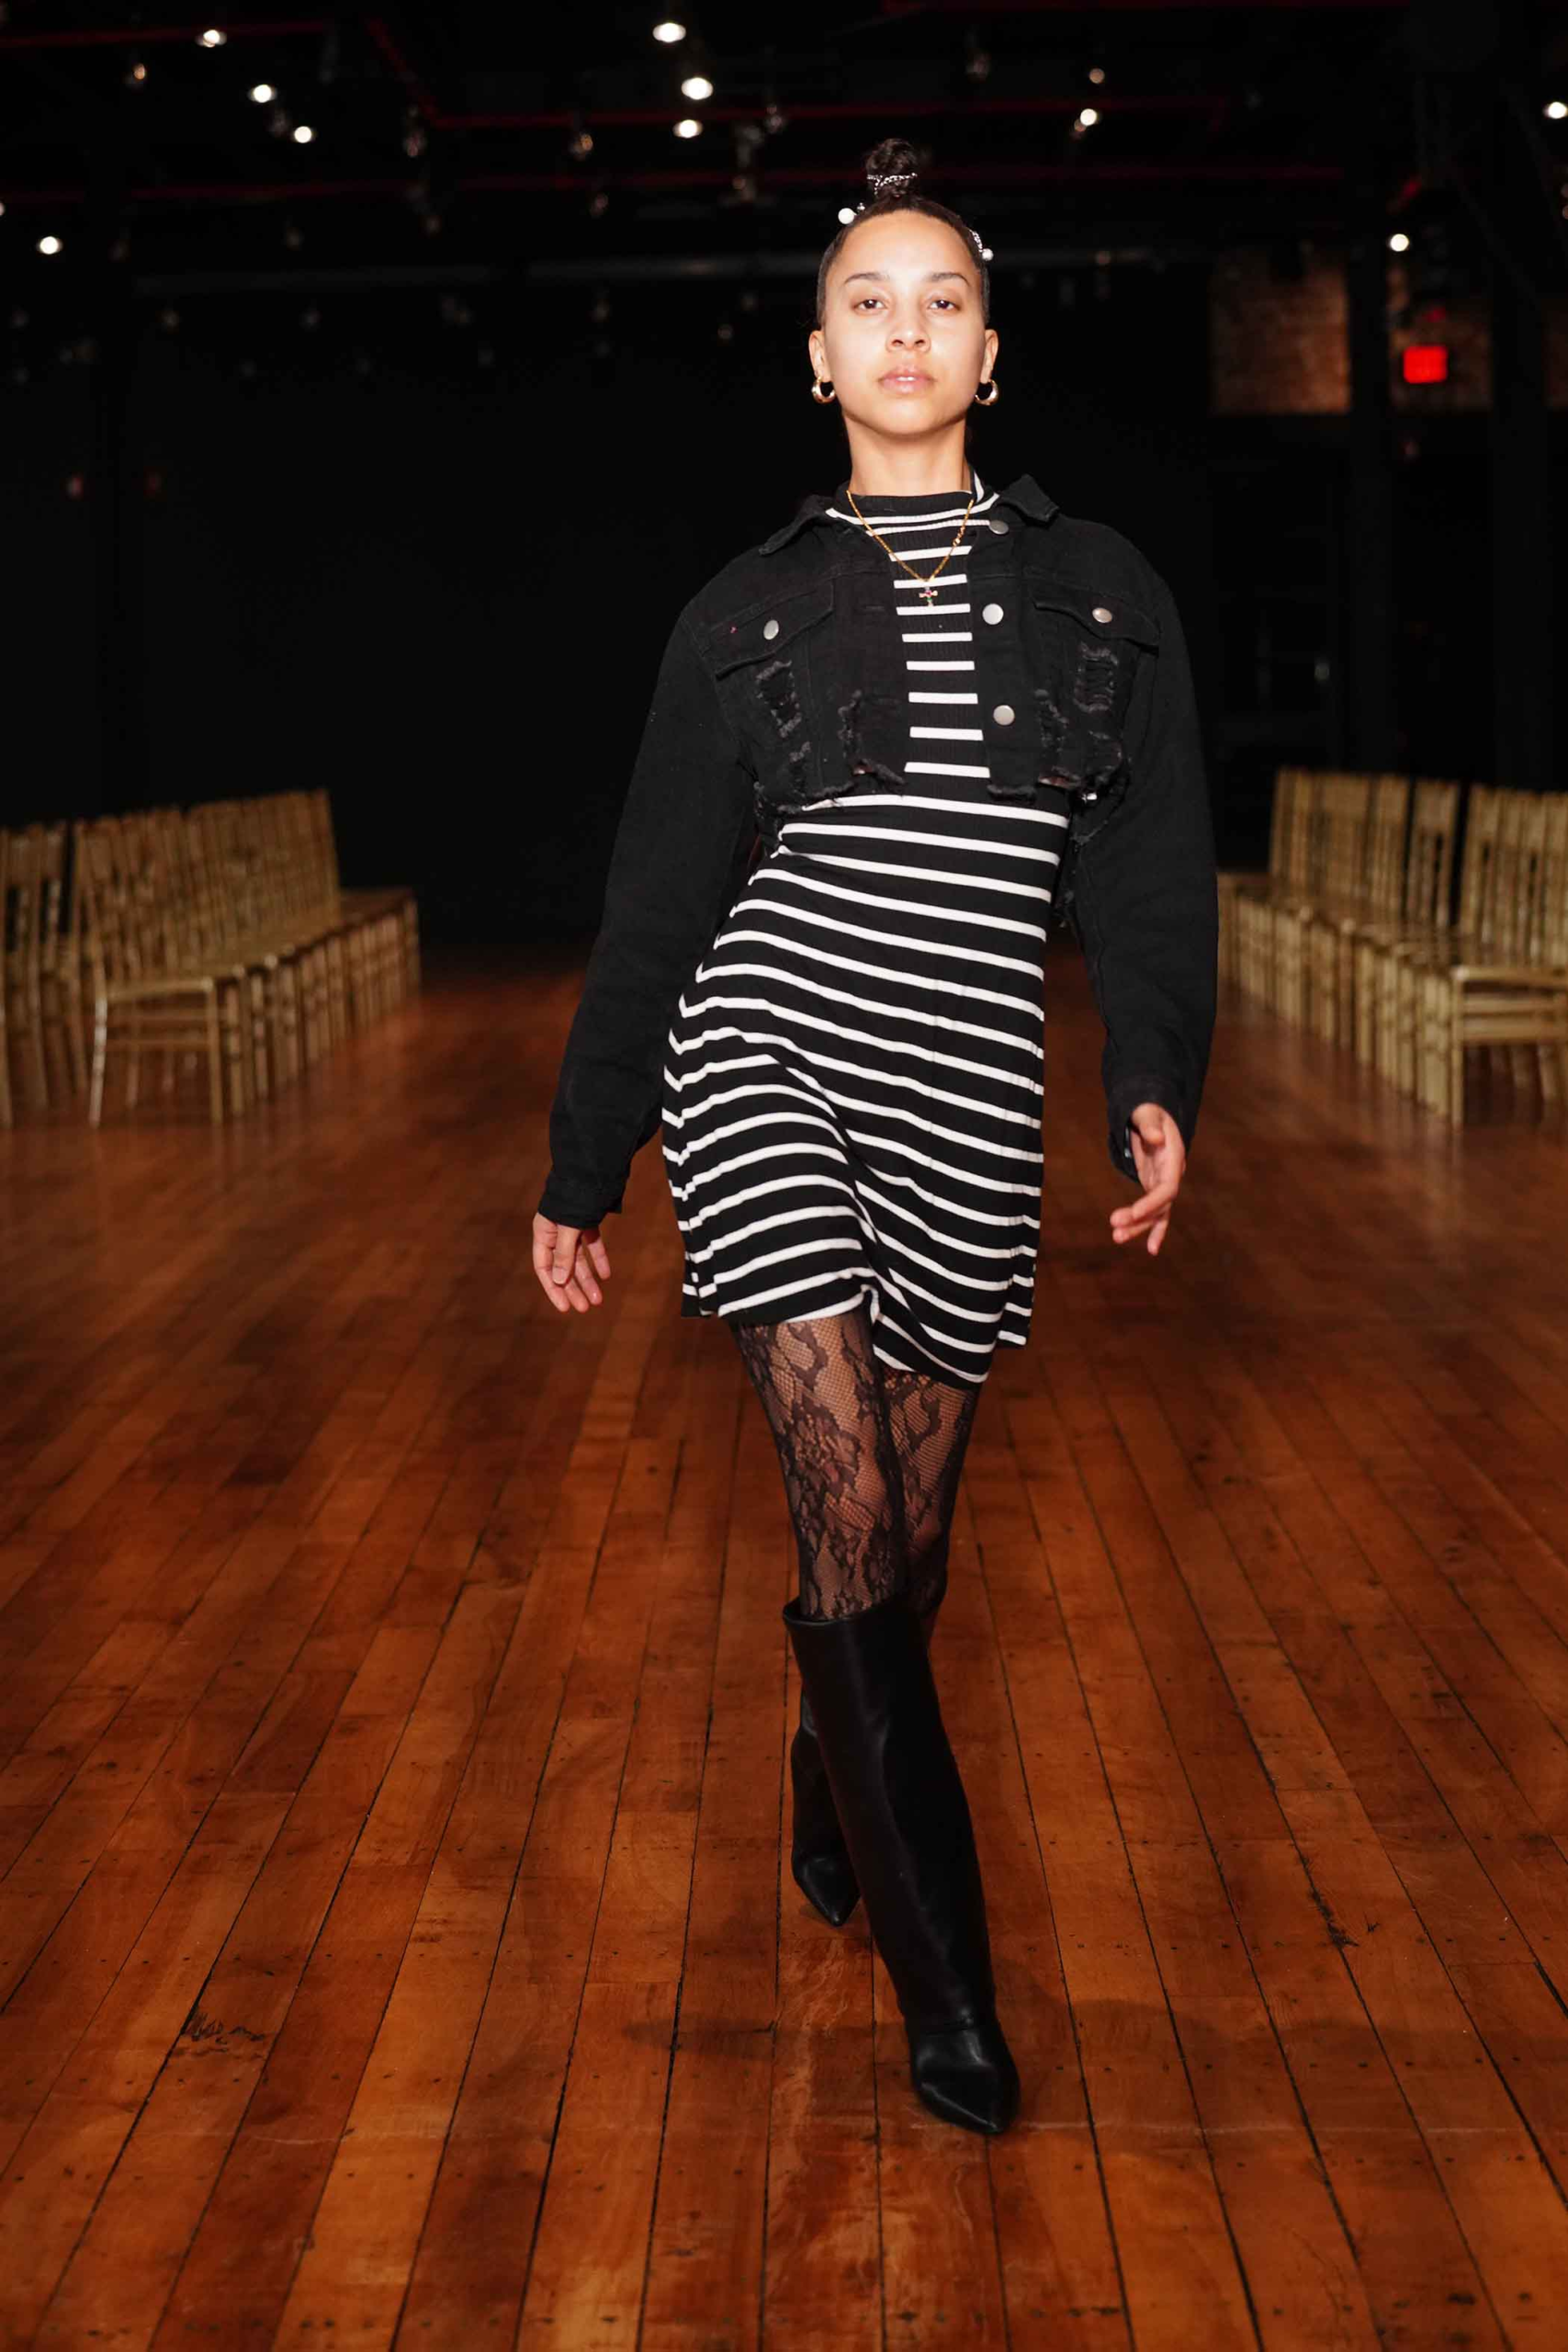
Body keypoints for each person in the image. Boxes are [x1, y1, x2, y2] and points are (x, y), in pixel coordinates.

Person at [532, 136, 1218, 2137]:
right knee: (841, 1513)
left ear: (988, 352)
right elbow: (659, 904)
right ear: (817, 357)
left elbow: (1150, 875)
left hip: (966, 1091)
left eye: (940, 303)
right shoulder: (739, 614)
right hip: (770, 1049)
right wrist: (589, 1155)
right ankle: (953, 1997)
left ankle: (833, 1763)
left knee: (899, 1546)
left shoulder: (1103, 592)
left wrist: (1153, 1076)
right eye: (865, 303)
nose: (903, 333)